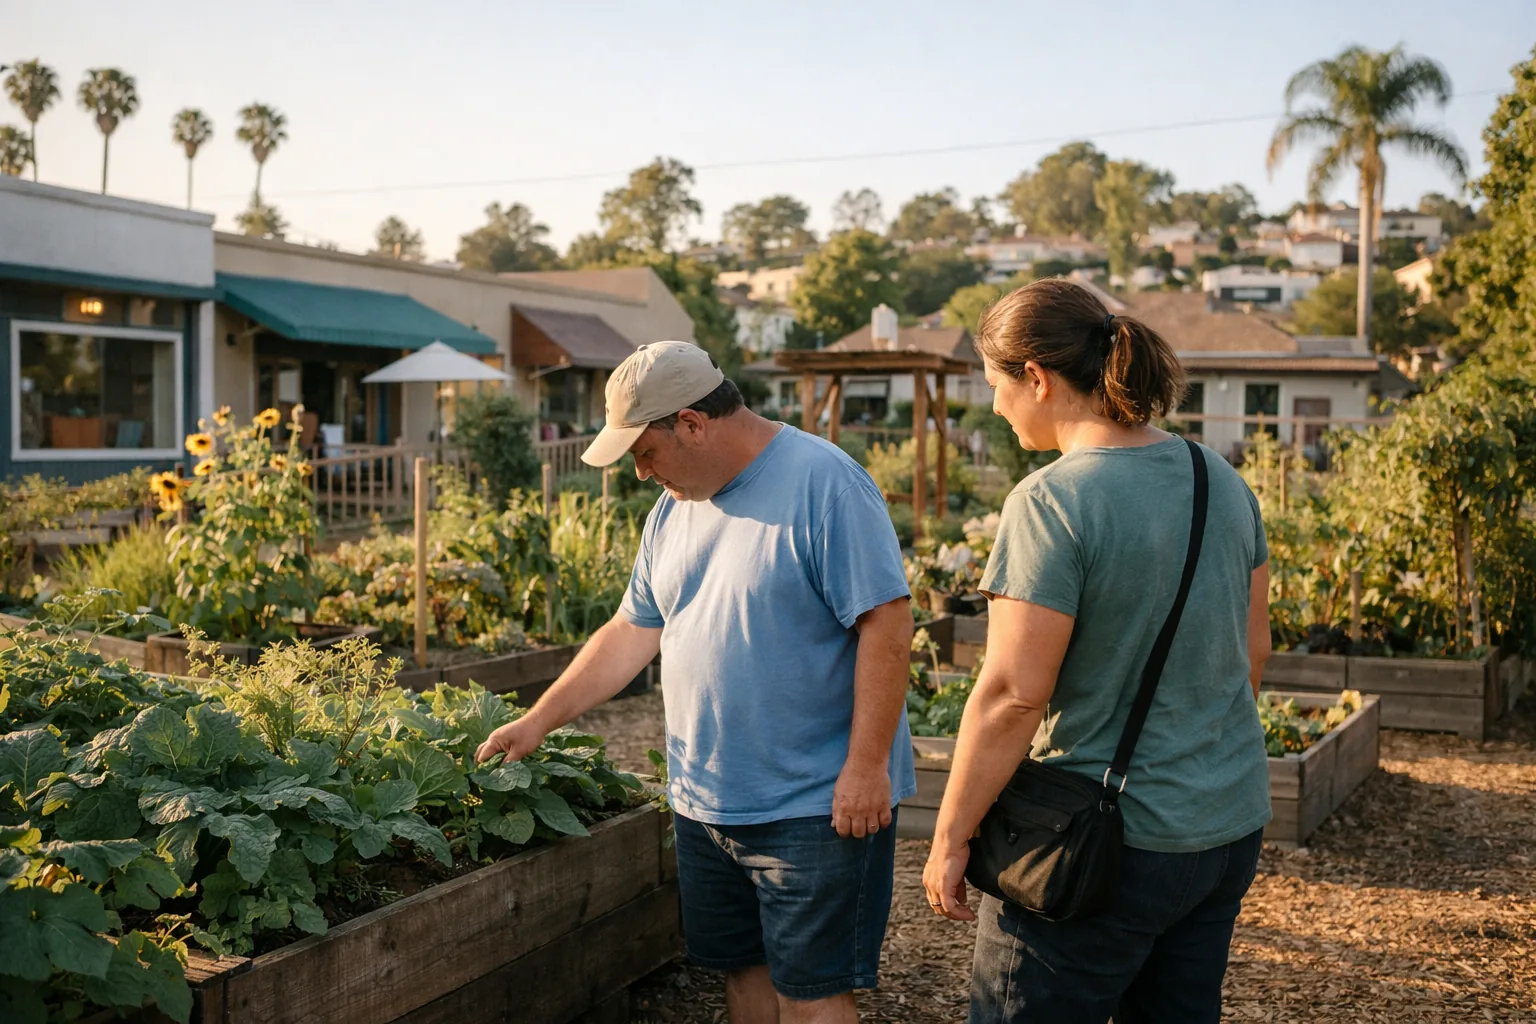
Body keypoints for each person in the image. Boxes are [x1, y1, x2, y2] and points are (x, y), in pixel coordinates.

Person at [477, 341, 917, 1024]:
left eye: (645, 454)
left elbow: (887, 628)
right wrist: (537, 719)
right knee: (743, 976)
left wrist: (865, 768)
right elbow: (631, 631)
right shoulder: (673, 510)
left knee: (813, 995)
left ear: (690, 422)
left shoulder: (824, 483)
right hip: (709, 802)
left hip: (813, 805)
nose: (643, 473)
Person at [921, 279, 1273, 1023]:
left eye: (995, 385)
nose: (993, 405)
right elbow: (1253, 653)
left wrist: (950, 837)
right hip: (1225, 828)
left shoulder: (1052, 502)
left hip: (1100, 851)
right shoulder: (1221, 479)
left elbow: (1014, 695)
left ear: (1038, 379)